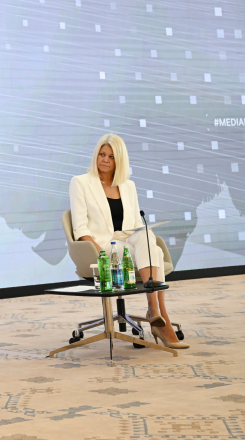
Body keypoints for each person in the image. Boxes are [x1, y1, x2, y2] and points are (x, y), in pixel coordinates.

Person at [69, 133, 189, 349]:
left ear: (119, 160)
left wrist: (143, 232)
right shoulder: (80, 183)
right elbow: (81, 229)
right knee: (156, 253)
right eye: (102, 154)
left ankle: (156, 310)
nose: (105, 160)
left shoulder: (128, 186)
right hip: (103, 247)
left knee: (146, 233)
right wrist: (100, 253)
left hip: (127, 241)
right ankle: (159, 314)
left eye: (111, 156)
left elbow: (134, 224)